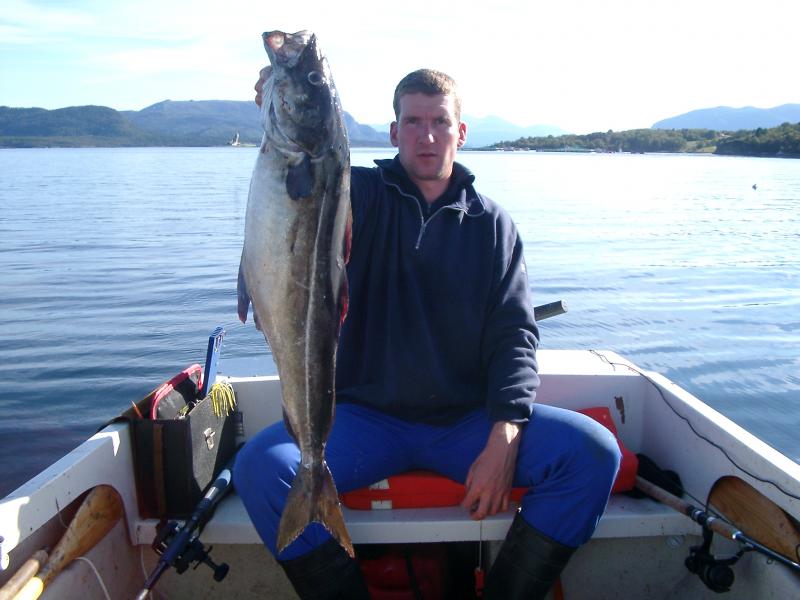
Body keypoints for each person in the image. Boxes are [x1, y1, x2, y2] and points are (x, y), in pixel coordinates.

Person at [234, 67, 622, 600]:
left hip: (463, 423)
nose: (427, 135)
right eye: (413, 121)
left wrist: (506, 431)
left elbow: (515, 334)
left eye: (440, 121)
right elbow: (302, 184)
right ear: (393, 133)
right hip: (362, 420)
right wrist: (283, 109)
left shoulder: (492, 226)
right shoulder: (355, 197)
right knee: (258, 469)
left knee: (593, 453)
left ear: (462, 132)